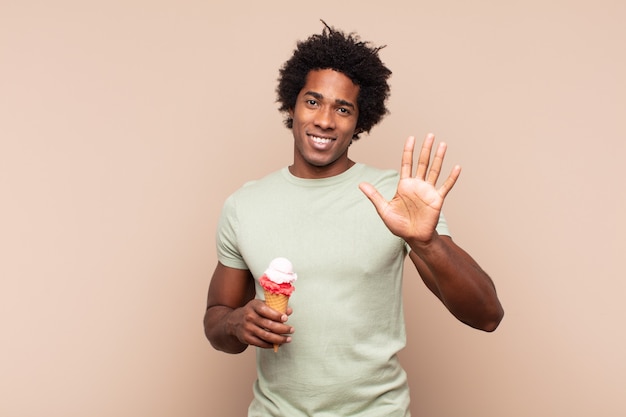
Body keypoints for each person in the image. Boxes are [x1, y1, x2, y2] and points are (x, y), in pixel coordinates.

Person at [204, 22, 504, 417]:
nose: (325, 120)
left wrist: (426, 241)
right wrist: (236, 324)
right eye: (313, 102)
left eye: (343, 109)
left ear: (359, 121)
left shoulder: (396, 197)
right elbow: (216, 319)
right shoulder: (244, 205)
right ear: (291, 106)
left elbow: (487, 316)